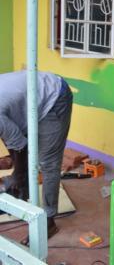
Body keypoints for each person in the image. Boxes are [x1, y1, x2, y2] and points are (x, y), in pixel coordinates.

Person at [0, 70, 73, 241]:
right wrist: (20, 172)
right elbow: (11, 136)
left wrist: (19, 175)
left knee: (48, 162)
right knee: (21, 158)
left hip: (54, 96)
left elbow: (20, 145)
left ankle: (48, 221)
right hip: (30, 97)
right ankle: (22, 183)